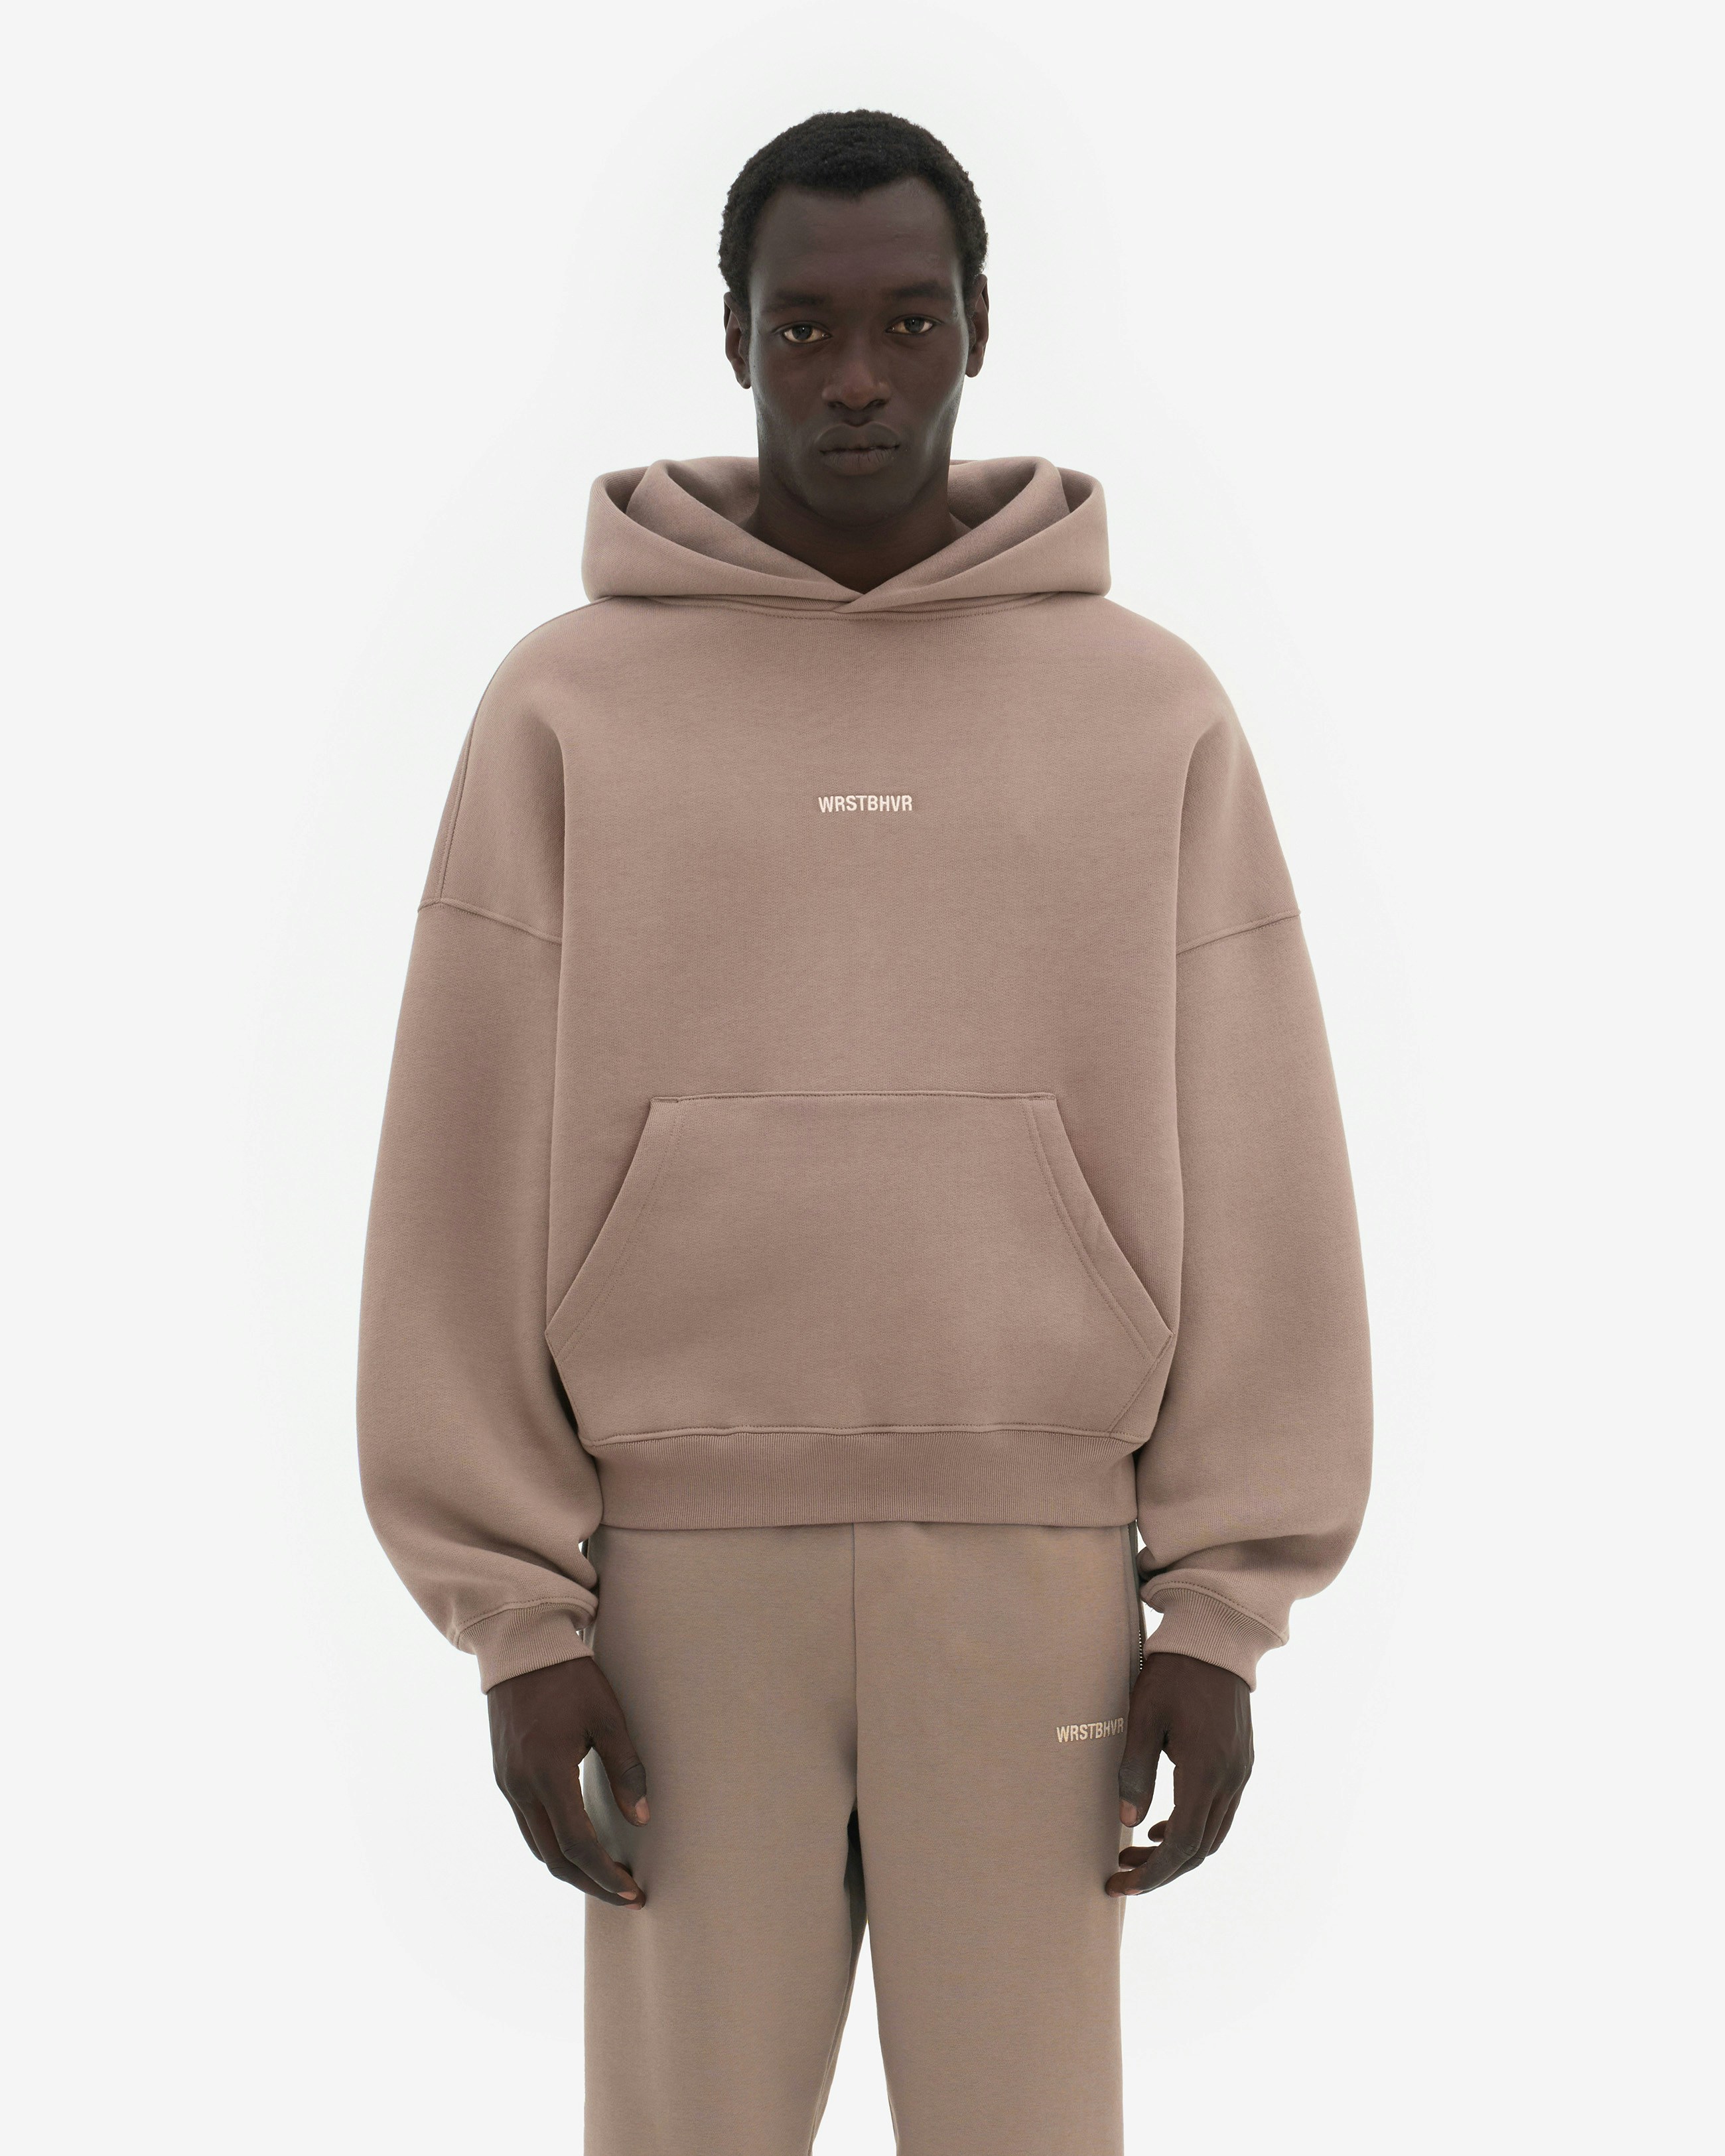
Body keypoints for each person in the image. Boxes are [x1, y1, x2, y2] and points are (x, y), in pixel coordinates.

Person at [358, 107, 1371, 2156]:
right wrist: (516, 1623)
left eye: (907, 322)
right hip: (674, 1592)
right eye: (806, 326)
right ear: (732, 335)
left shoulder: (1146, 710)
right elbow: (455, 1158)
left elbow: (1262, 1146)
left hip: (1038, 1569)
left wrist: (1222, 1613)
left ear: (979, 328)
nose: (855, 378)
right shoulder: (565, 709)